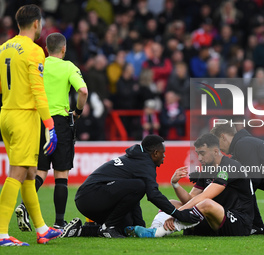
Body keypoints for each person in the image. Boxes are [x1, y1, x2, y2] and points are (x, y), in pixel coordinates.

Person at [0, 5, 61, 246]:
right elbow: (38, 91)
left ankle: (42, 229)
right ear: (36, 23)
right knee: (17, 173)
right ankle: (2, 234)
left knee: (28, 173)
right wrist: (50, 125)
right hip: (24, 116)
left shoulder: (3, 48)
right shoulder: (35, 51)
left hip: (6, 113)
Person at [15, 32, 88, 231]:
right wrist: (78, 111)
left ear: (46, 49)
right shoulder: (68, 67)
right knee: (61, 174)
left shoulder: (39, 64)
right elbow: (83, 91)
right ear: (63, 49)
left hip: (36, 119)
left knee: (40, 170)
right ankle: (59, 222)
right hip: (59, 122)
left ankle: (24, 205)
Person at [61, 135, 200, 238]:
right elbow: (153, 195)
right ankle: (108, 227)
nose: (164, 158)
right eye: (163, 154)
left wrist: (138, 225)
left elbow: (133, 197)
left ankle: (80, 230)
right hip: (91, 196)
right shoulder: (145, 164)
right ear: (155, 153)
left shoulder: (137, 159)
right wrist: (179, 214)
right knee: (139, 185)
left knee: (128, 228)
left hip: (89, 198)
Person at [125, 133, 254, 238]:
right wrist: (175, 184)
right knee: (172, 203)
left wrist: (176, 214)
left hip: (238, 223)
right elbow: (190, 199)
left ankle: (158, 233)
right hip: (213, 220)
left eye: (202, 153)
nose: (199, 157)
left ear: (215, 151)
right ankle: (152, 230)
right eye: (198, 153)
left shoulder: (230, 167)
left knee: (205, 203)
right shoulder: (207, 169)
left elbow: (204, 197)